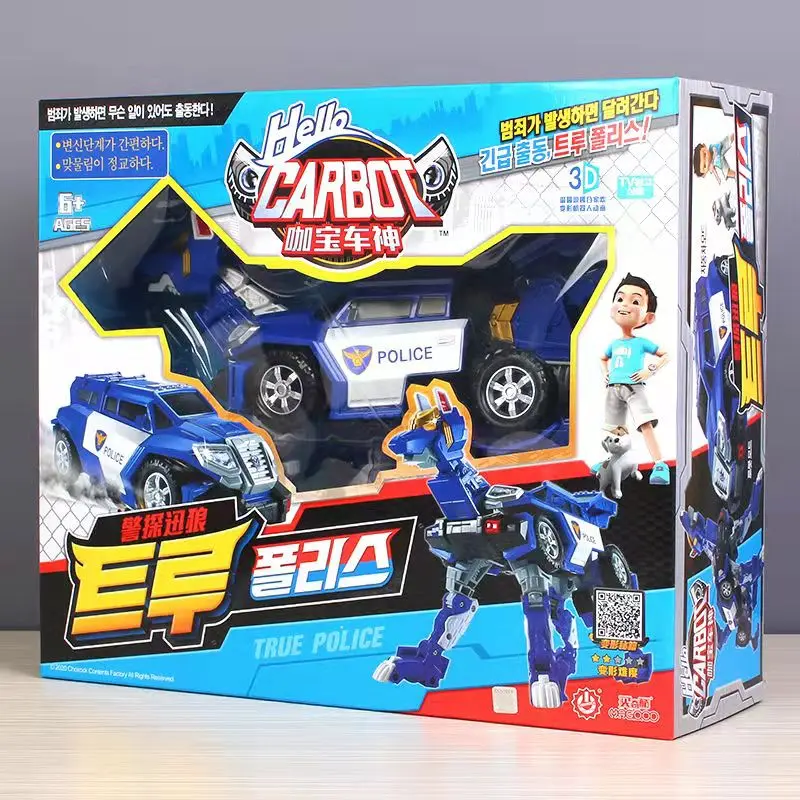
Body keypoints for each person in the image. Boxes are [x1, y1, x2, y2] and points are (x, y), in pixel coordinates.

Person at [600, 274, 670, 485]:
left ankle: (660, 464)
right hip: (614, 388)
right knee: (615, 429)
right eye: (620, 299)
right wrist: (606, 373)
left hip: (634, 388)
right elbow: (603, 358)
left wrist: (649, 370)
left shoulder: (641, 342)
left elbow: (665, 355)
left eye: (636, 301)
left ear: (648, 317)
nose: (625, 305)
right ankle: (610, 461)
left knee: (645, 424)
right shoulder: (614, 344)